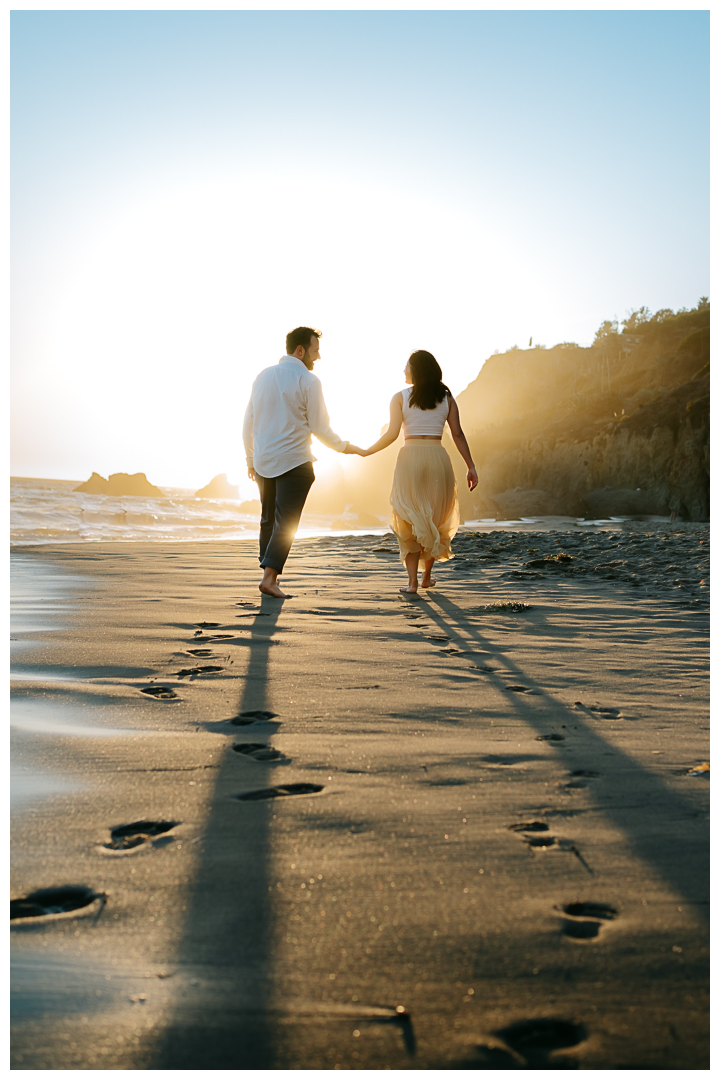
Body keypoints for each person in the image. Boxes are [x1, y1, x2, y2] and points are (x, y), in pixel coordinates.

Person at [243, 327, 361, 598]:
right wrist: (345, 447)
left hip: (263, 461)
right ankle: (269, 578)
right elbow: (320, 427)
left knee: (268, 520)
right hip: (295, 462)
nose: (317, 357)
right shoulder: (309, 380)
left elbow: (247, 423)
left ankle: (268, 575)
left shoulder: (262, 376)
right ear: (300, 350)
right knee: (286, 522)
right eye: (315, 350)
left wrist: (250, 458)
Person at [358, 350, 477, 593]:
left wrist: (367, 451)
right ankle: (426, 578)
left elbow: (392, 434)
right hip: (437, 458)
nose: (404, 370)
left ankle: (412, 583)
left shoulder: (399, 397)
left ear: (417, 370)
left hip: (410, 458)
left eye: (407, 366)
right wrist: (470, 466)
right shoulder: (446, 398)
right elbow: (457, 434)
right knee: (434, 518)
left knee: (408, 519)